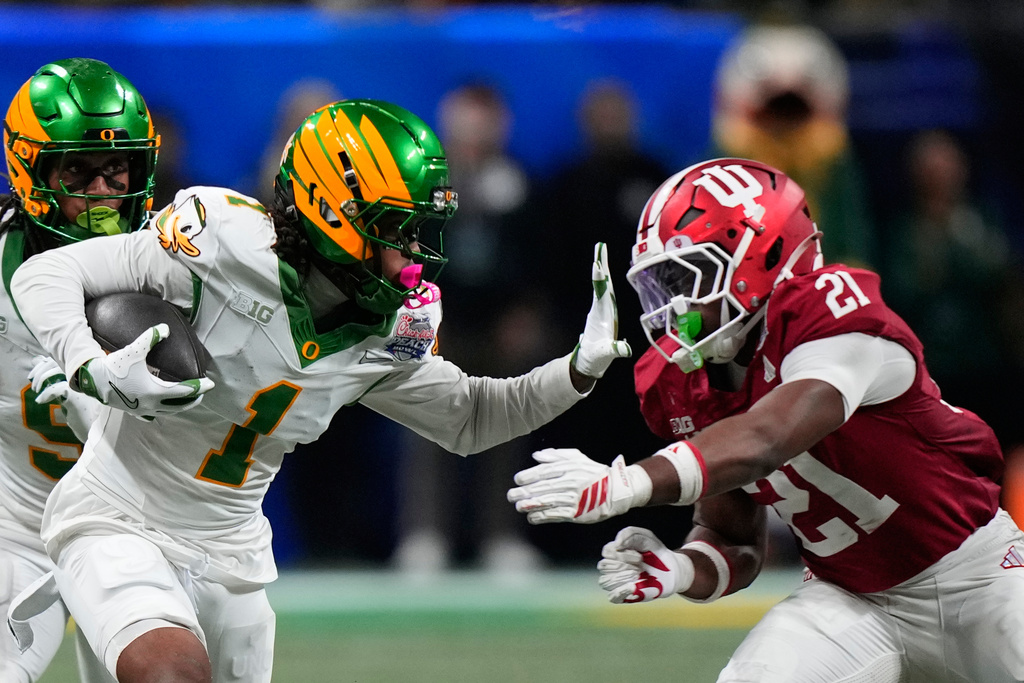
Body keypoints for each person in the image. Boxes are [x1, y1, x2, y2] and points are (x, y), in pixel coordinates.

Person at [9, 99, 630, 682]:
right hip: (119, 520)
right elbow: (48, 272)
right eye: (399, 230)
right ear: (336, 214)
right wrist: (89, 364)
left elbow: (472, 417)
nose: (414, 255)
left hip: (234, 558)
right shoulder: (223, 243)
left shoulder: (387, 327)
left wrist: (575, 370)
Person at [508, 158, 1024, 682]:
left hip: (977, 579)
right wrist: (681, 568)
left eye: (687, 279)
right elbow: (733, 538)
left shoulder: (834, 314)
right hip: (848, 598)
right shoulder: (687, 383)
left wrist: (626, 483)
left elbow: (767, 437)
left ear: (762, 256)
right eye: (662, 286)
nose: (674, 309)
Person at [0, 58, 159, 683]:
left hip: (143, 528)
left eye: (116, 169)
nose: (102, 192)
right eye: (78, 171)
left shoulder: (176, 263)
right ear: (31, 170)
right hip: (19, 526)